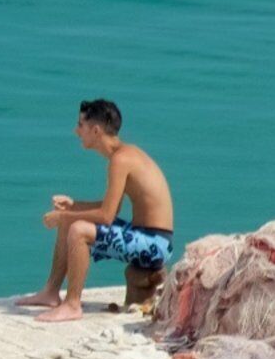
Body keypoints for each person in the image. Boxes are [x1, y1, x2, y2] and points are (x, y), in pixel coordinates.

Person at [22, 99, 174, 324]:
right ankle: (51, 292)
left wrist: (63, 216)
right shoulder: (124, 155)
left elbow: (106, 216)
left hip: (154, 245)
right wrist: (73, 206)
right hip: (146, 236)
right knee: (70, 222)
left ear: (95, 130)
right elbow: (111, 207)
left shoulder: (120, 160)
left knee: (78, 230)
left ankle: (72, 304)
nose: (76, 131)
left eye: (80, 125)